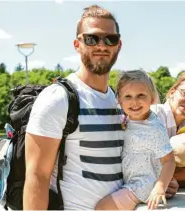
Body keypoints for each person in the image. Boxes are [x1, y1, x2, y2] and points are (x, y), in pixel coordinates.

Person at [23, 5, 124, 210]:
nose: (101, 45)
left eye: (110, 39)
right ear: (77, 45)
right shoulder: (58, 99)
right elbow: (37, 176)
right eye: (91, 38)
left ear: (118, 45)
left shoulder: (120, 100)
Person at [95, 70, 176, 210]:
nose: (134, 101)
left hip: (143, 186)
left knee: (102, 208)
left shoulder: (154, 128)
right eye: (128, 96)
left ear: (152, 98)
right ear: (119, 100)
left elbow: (169, 160)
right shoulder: (128, 119)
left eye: (141, 95)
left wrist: (160, 187)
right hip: (131, 182)